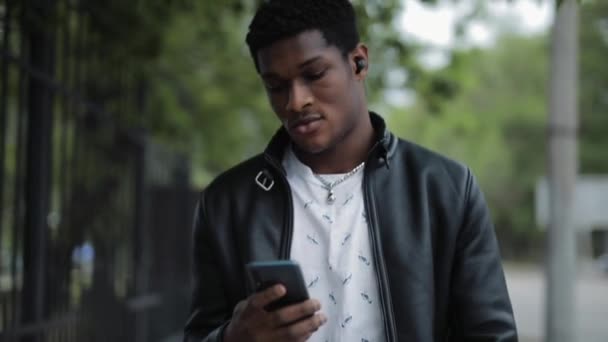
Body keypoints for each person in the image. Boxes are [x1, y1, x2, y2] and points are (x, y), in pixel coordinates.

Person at [184, 1, 517, 341]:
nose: (295, 102)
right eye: (276, 85)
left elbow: (491, 335)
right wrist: (232, 338)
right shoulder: (228, 203)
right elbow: (198, 334)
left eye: (314, 75)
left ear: (359, 62)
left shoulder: (445, 189)